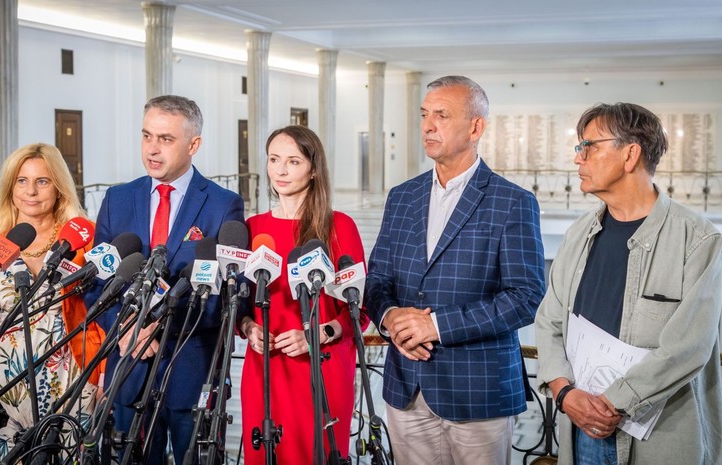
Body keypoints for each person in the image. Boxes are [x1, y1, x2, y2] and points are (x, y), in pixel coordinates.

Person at [365, 75, 545, 465]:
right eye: (424, 115)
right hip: (406, 384)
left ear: (476, 128)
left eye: (442, 116)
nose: (428, 126)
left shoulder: (512, 202)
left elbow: (526, 297)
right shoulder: (402, 196)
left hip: (478, 391)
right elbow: (377, 277)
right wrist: (391, 317)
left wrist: (436, 326)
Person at [535, 103, 722, 464]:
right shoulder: (579, 233)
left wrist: (611, 403)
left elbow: (689, 347)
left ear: (630, 154)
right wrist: (564, 393)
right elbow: (549, 322)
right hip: (580, 426)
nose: (578, 158)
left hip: (660, 436)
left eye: (590, 146)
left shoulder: (698, 240)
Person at [89, 95, 245, 465]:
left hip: (189, 370)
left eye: (166, 139)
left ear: (193, 144)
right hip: (128, 365)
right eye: (146, 136)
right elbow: (98, 283)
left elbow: (225, 296)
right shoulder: (117, 199)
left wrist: (157, 329)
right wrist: (125, 329)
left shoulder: (223, 204)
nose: (152, 149)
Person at [238, 125, 369, 465]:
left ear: (313, 169)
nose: (280, 170)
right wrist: (249, 328)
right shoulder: (253, 228)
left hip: (321, 370)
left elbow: (359, 311)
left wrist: (317, 335)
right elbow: (241, 305)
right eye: (274, 159)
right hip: (265, 369)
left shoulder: (339, 227)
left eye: (293, 161)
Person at [0, 143, 105, 454]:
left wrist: (105, 368)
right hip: (7, 381)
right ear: (10, 187)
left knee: (70, 456)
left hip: (72, 375)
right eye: (21, 181)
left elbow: (102, 308)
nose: (31, 191)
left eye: (42, 181)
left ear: (59, 187)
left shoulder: (84, 238)